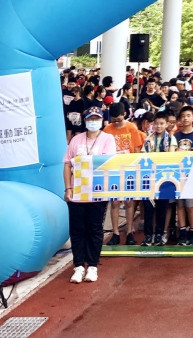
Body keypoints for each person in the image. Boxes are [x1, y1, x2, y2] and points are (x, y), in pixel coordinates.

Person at [63, 108, 117, 283]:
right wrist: (68, 188)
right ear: (85, 120)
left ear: (101, 120)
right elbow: (67, 165)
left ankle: (92, 266)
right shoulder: (76, 139)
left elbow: (109, 163)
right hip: (77, 193)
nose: (93, 121)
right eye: (90, 118)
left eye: (96, 118)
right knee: (77, 230)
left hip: (97, 193)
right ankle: (78, 266)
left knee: (94, 229)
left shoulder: (107, 139)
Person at [103, 102, 145, 245]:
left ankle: (129, 232)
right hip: (113, 170)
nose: (116, 122)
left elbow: (137, 150)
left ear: (124, 115)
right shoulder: (107, 129)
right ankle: (115, 233)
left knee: (129, 201)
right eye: (113, 120)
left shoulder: (131, 128)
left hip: (129, 169)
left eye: (119, 120)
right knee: (114, 202)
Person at [142, 113, 177, 246]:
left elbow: (171, 156)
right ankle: (148, 235)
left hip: (165, 177)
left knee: (162, 208)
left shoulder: (171, 138)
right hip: (150, 177)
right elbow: (143, 155)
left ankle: (159, 234)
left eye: (161, 123)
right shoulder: (148, 138)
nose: (158, 126)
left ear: (167, 124)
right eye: (156, 123)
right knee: (148, 208)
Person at [174, 106, 193, 246]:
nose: (185, 118)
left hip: (192, 176)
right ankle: (182, 232)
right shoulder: (176, 136)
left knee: (191, 206)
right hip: (178, 175)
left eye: (188, 115)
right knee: (180, 205)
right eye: (183, 116)